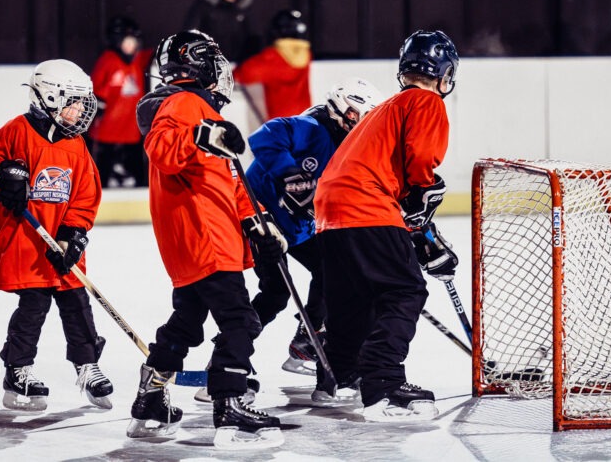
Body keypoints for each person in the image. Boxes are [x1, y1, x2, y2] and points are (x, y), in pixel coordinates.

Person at [127, 29, 285, 450]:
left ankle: (150, 397)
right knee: (240, 320)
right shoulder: (183, 104)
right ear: (203, 66)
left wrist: (258, 224)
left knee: (186, 323)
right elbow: (162, 149)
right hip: (206, 238)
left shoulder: (201, 110)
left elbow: (231, 181)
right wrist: (203, 136)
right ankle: (229, 402)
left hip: (198, 241)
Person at [311, 30, 460, 422]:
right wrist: (425, 191)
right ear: (444, 74)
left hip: (330, 208)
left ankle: (340, 375)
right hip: (366, 203)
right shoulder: (425, 101)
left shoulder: (384, 107)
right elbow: (421, 161)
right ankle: (383, 381)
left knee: (352, 297)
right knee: (404, 289)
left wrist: (412, 209)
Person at [0, 59, 113, 412]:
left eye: (82, 102)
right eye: (73, 101)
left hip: (57, 243)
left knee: (77, 304)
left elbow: (85, 195)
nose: (80, 111)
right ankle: (17, 371)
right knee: (34, 307)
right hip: (26, 241)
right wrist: (4, 173)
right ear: (50, 97)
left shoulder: (76, 145)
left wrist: (73, 234)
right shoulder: (17, 131)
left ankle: (87, 364)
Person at [244, 77, 384, 376]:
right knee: (276, 293)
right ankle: (230, 357)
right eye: (355, 117)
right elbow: (262, 136)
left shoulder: (349, 145)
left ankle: (306, 341)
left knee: (333, 268)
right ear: (341, 110)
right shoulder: (313, 128)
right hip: (262, 219)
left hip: (297, 227)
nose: (359, 126)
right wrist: (290, 174)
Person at [88, 16, 154, 187]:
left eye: (134, 42)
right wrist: (97, 106)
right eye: (128, 42)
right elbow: (96, 87)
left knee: (135, 162)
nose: (132, 47)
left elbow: (152, 56)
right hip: (108, 126)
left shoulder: (137, 59)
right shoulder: (108, 60)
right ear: (117, 42)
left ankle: (134, 183)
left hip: (130, 125)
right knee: (104, 165)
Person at [233, 9, 312, 121]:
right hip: (306, 120)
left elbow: (242, 74)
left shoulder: (273, 57)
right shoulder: (307, 54)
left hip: (282, 125)